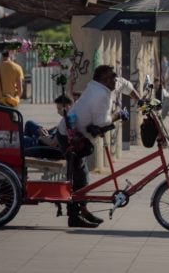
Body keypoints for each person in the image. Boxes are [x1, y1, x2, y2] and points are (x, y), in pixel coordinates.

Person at [56, 65, 140, 228]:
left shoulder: (106, 84)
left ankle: (83, 210)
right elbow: (102, 122)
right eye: (111, 77)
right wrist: (119, 114)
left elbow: (125, 85)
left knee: (82, 176)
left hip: (79, 135)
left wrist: (140, 99)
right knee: (79, 178)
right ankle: (74, 217)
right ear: (102, 78)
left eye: (115, 76)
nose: (115, 79)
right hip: (70, 138)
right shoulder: (100, 94)